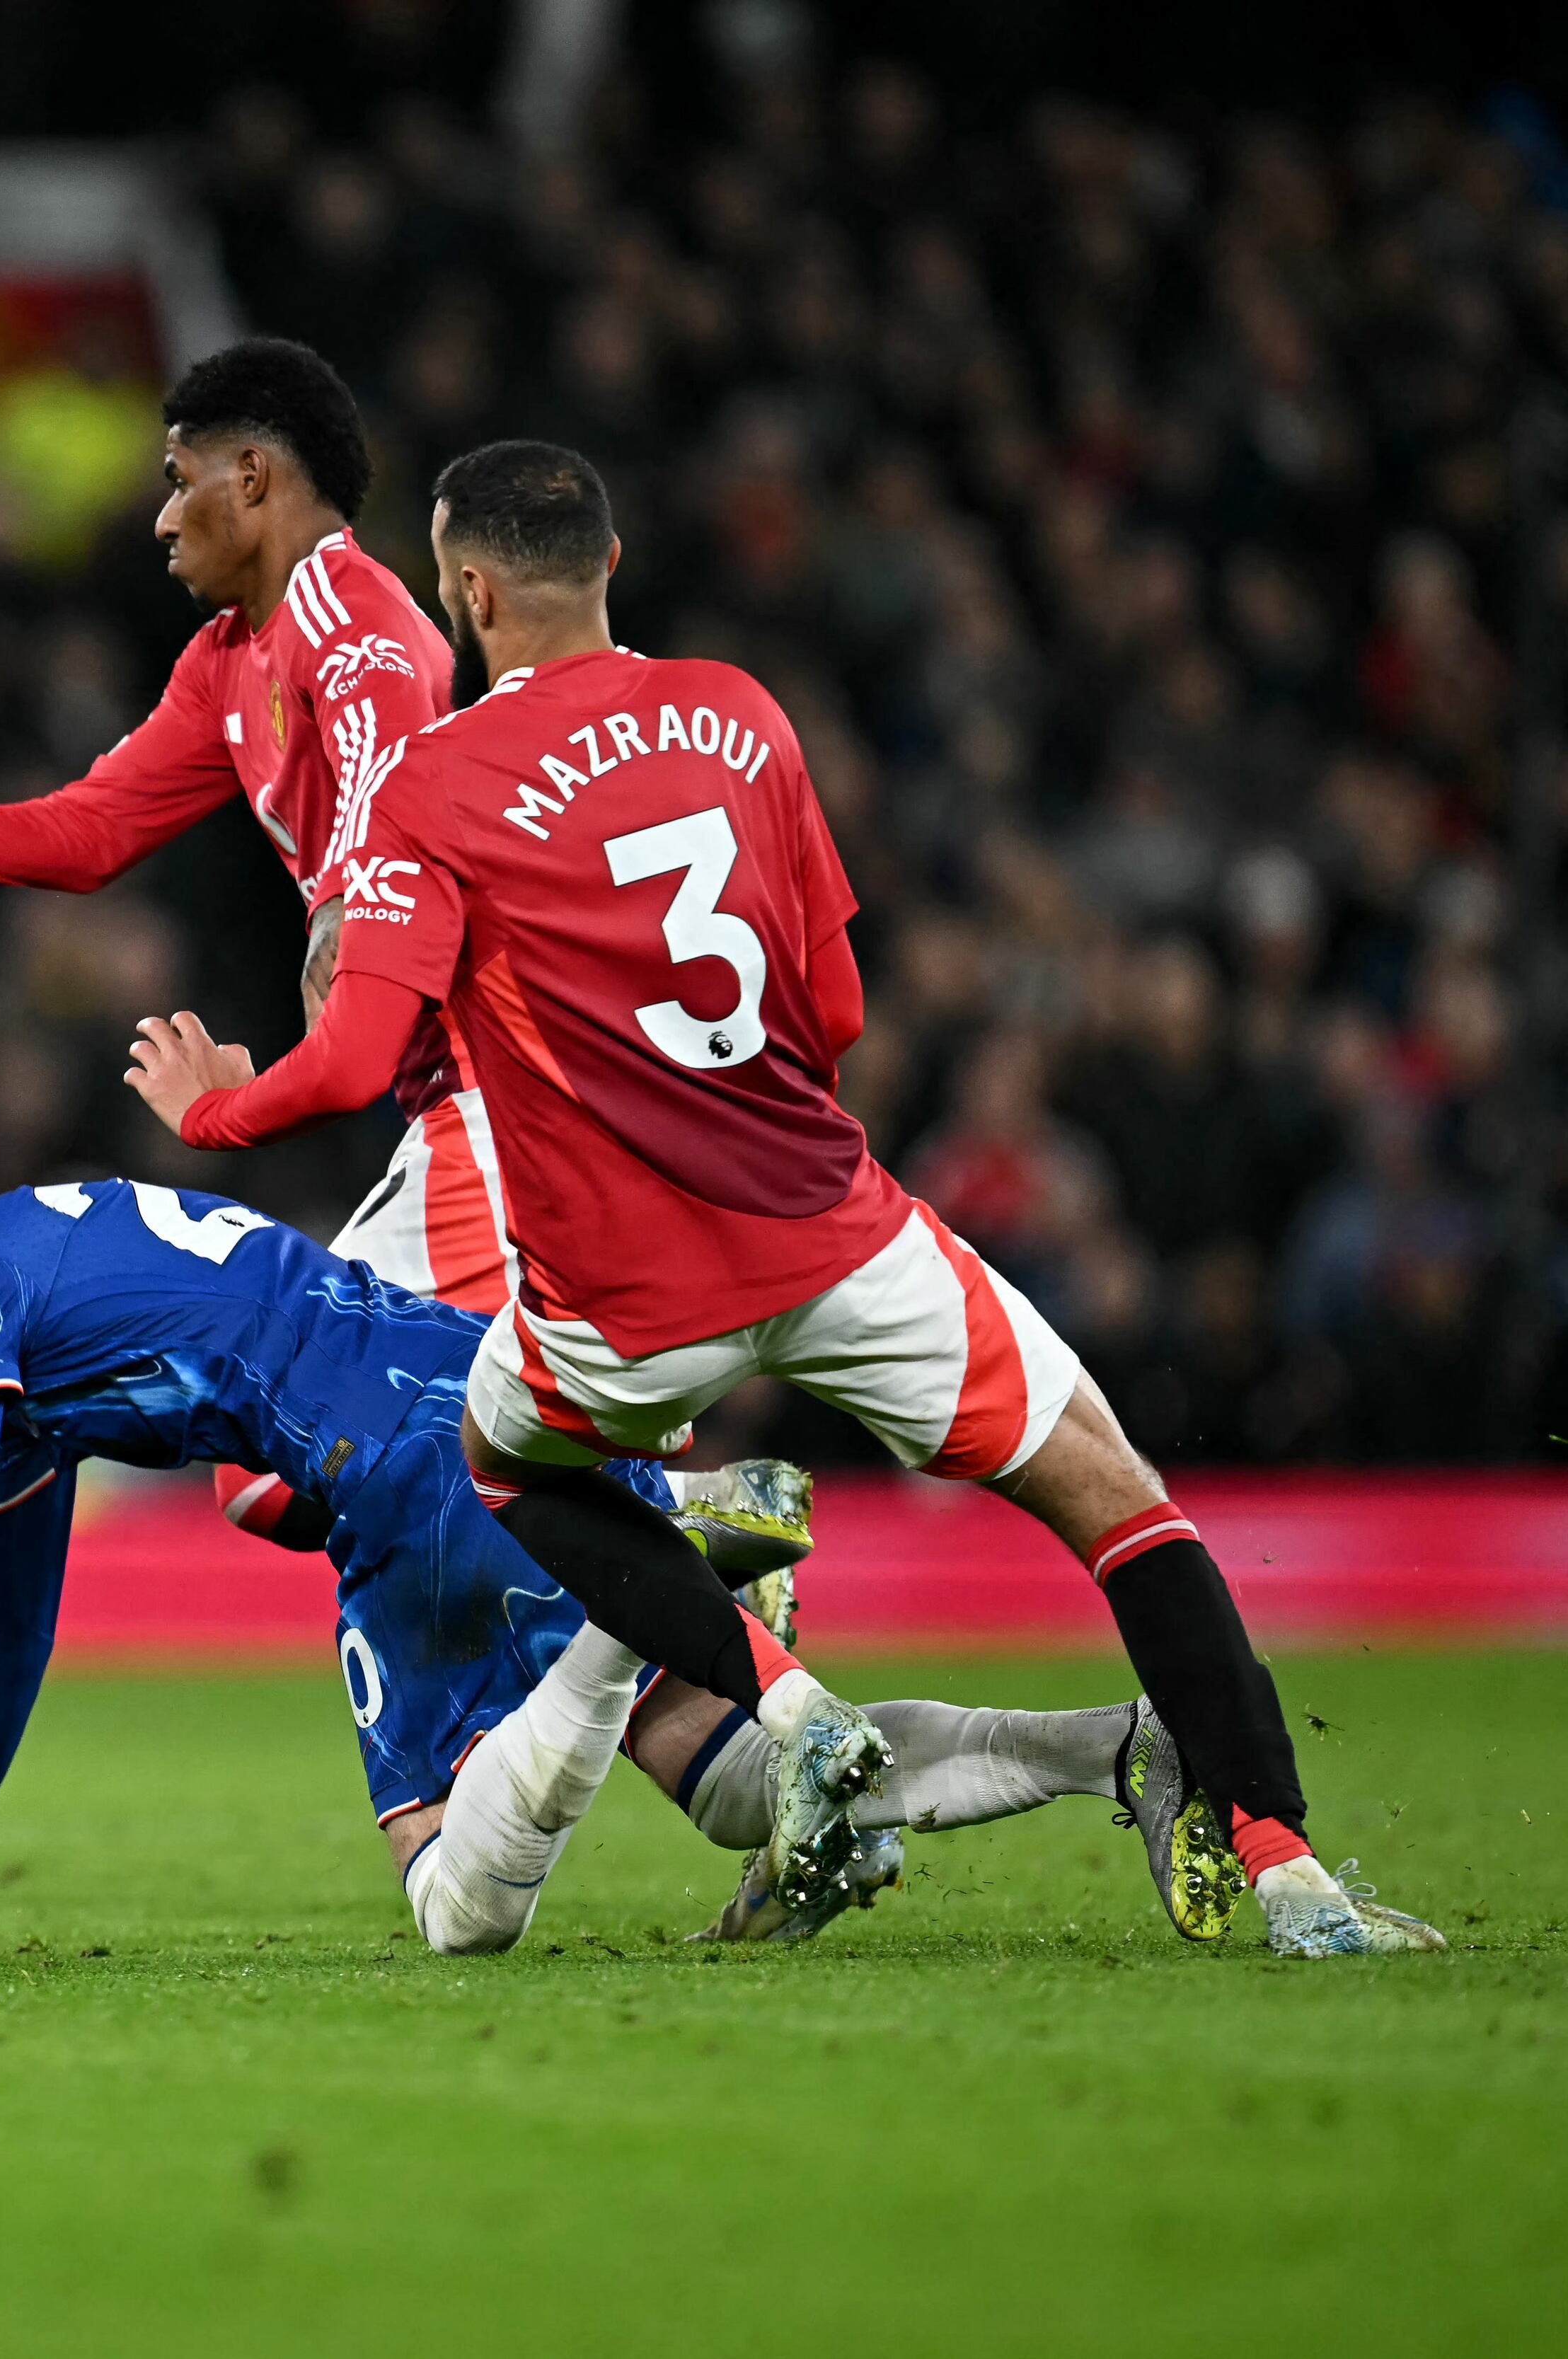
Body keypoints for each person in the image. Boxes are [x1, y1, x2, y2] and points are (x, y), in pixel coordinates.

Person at [124, 441, 1440, 1959]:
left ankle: (788, 1696)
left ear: (465, 590)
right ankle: (1287, 1869)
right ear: (610, 565)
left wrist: (212, 1106)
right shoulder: (740, 715)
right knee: (1119, 1498)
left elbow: (356, 1048)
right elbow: (834, 1001)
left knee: (508, 1463)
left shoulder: (435, 783)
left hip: (626, 1294)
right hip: (833, 1226)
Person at [0, 336, 806, 1588]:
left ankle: (679, 1535)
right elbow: (88, 831)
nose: (158, 517)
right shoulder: (230, 662)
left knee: (283, 1458)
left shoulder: (357, 624)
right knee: (334, 1462)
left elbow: (394, 740)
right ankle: (673, 1553)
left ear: (253, 478)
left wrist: (350, 900)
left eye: (175, 475)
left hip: (508, 1104)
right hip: (462, 1106)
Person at [0, 1067, 1214, 1960]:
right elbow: (2, 1621)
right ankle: (1119, 1746)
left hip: (391, 1465)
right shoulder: (23, 1268)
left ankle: (625, 1602)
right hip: (484, 1387)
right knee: (733, 1787)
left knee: (457, 1906)